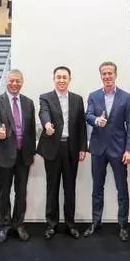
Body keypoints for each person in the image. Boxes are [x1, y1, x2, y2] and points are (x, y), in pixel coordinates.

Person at [84, 61, 130, 242]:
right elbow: (88, 115)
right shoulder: (94, 96)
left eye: (110, 73)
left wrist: (129, 150)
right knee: (97, 188)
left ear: (115, 75)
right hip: (98, 149)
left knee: (122, 189)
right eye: (104, 73)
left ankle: (123, 225)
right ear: (101, 76)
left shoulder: (126, 97)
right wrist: (96, 120)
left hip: (119, 149)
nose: (107, 76)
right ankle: (95, 222)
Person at [37, 66, 87, 240]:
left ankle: (70, 224)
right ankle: (51, 224)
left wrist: (83, 148)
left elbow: (81, 125)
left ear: (69, 79)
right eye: (58, 77)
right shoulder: (45, 97)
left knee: (70, 188)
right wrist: (47, 125)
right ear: (54, 79)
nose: (61, 80)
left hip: (71, 148)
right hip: (53, 148)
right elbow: (43, 112)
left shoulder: (77, 99)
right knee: (52, 188)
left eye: (64, 77)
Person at [0, 70, 36, 243]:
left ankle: (19, 224)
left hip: (24, 155)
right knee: (4, 192)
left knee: (21, 192)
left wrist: (31, 152)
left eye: (18, 81)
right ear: (7, 82)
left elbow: (31, 129)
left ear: (22, 82)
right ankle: (4, 225)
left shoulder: (28, 103)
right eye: (12, 81)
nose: (14, 84)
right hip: (4, 154)